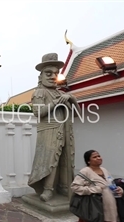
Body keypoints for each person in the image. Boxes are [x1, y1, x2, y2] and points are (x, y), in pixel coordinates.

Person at [28, 53, 81, 202]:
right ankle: (47, 189)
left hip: (64, 130)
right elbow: (38, 112)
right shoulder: (39, 92)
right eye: (48, 73)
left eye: (56, 74)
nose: (53, 76)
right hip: (48, 131)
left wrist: (71, 97)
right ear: (41, 76)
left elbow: (77, 114)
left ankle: (63, 187)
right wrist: (57, 102)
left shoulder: (61, 93)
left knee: (63, 160)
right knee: (50, 161)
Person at [71, 150, 124, 222]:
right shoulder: (85, 171)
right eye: (95, 157)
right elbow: (75, 187)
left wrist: (118, 190)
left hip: (110, 208)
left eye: (99, 156)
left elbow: (110, 183)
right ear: (88, 161)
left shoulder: (104, 170)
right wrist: (94, 190)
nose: (98, 158)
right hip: (94, 208)